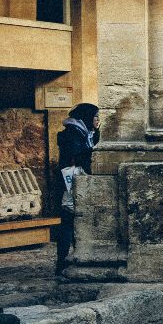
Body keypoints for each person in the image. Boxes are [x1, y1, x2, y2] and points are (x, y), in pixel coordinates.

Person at [56, 102, 99, 265]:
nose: (97, 120)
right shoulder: (73, 133)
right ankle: (62, 262)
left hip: (78, 181)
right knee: (68, 221)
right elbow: (77, 155)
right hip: (70, 183)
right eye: (95, 117)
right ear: (87, 117)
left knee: (75, 221)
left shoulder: (86, 132)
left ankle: (75, 257)